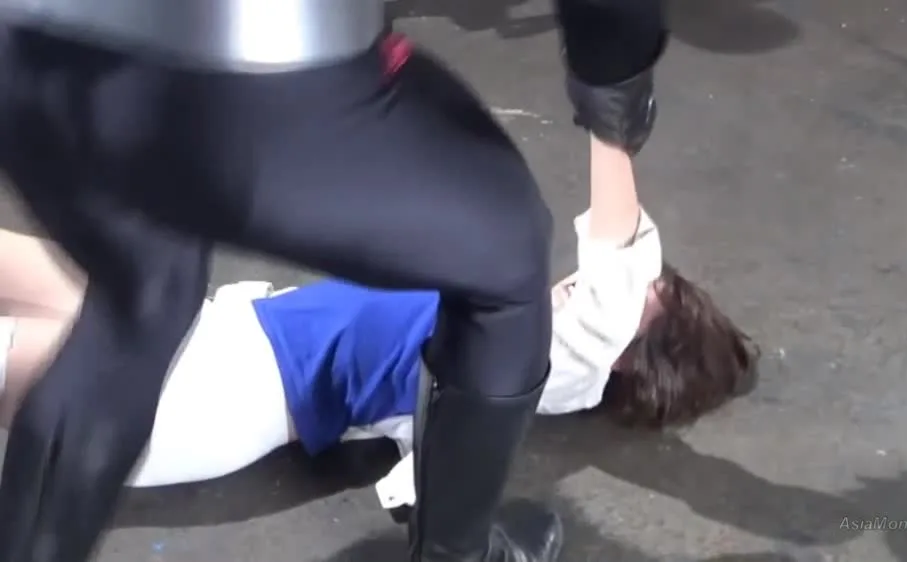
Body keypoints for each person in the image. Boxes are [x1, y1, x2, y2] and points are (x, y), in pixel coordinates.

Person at [0, 0, 668, 560]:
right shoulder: (494, 352)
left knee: (139, 299)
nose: (590, 283)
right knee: (508, 251)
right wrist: (616, 81)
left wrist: (614, 127)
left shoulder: (572, 364)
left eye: (651, 294)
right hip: (229, 90)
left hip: (40, 47)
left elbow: (615, 281)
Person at [0, 132, 758, 508]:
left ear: (628, 352)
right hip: (208, 335)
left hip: (208, 396)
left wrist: (610, 104)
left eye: (639, 296)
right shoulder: (519, 335)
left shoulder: (552, 362)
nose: (585, 282)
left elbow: (619, 255)